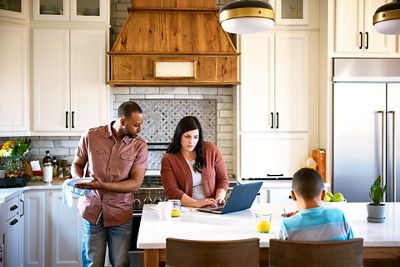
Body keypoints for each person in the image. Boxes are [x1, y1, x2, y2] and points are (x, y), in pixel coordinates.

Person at [71, 100, 148, 267]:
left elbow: (135, 183)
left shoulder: (139, 146)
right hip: (92, 211)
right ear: (122, 121)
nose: (139, 129)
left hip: (120, 214)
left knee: (120, 263)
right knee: (92, 263)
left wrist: (102, 186)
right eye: (136, 125)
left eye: (140, 124)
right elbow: (76, 164)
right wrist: (79, 180)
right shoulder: (91, 136)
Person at [161, 116, 229, 208]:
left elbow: (222, 179)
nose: (191, 141)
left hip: (211, 208)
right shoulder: (168, 159)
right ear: (179, 135)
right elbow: (172, 191)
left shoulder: (211, 150)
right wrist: (197, 203)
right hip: (186, 210)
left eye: (195, 137)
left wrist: (219, 198)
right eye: (187, 136)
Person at [279, 168, 354, 241]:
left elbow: (280, 253)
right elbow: (352, 247)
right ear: (324, 194)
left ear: (293, 195)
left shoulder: (286, 226)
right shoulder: (340, 216)